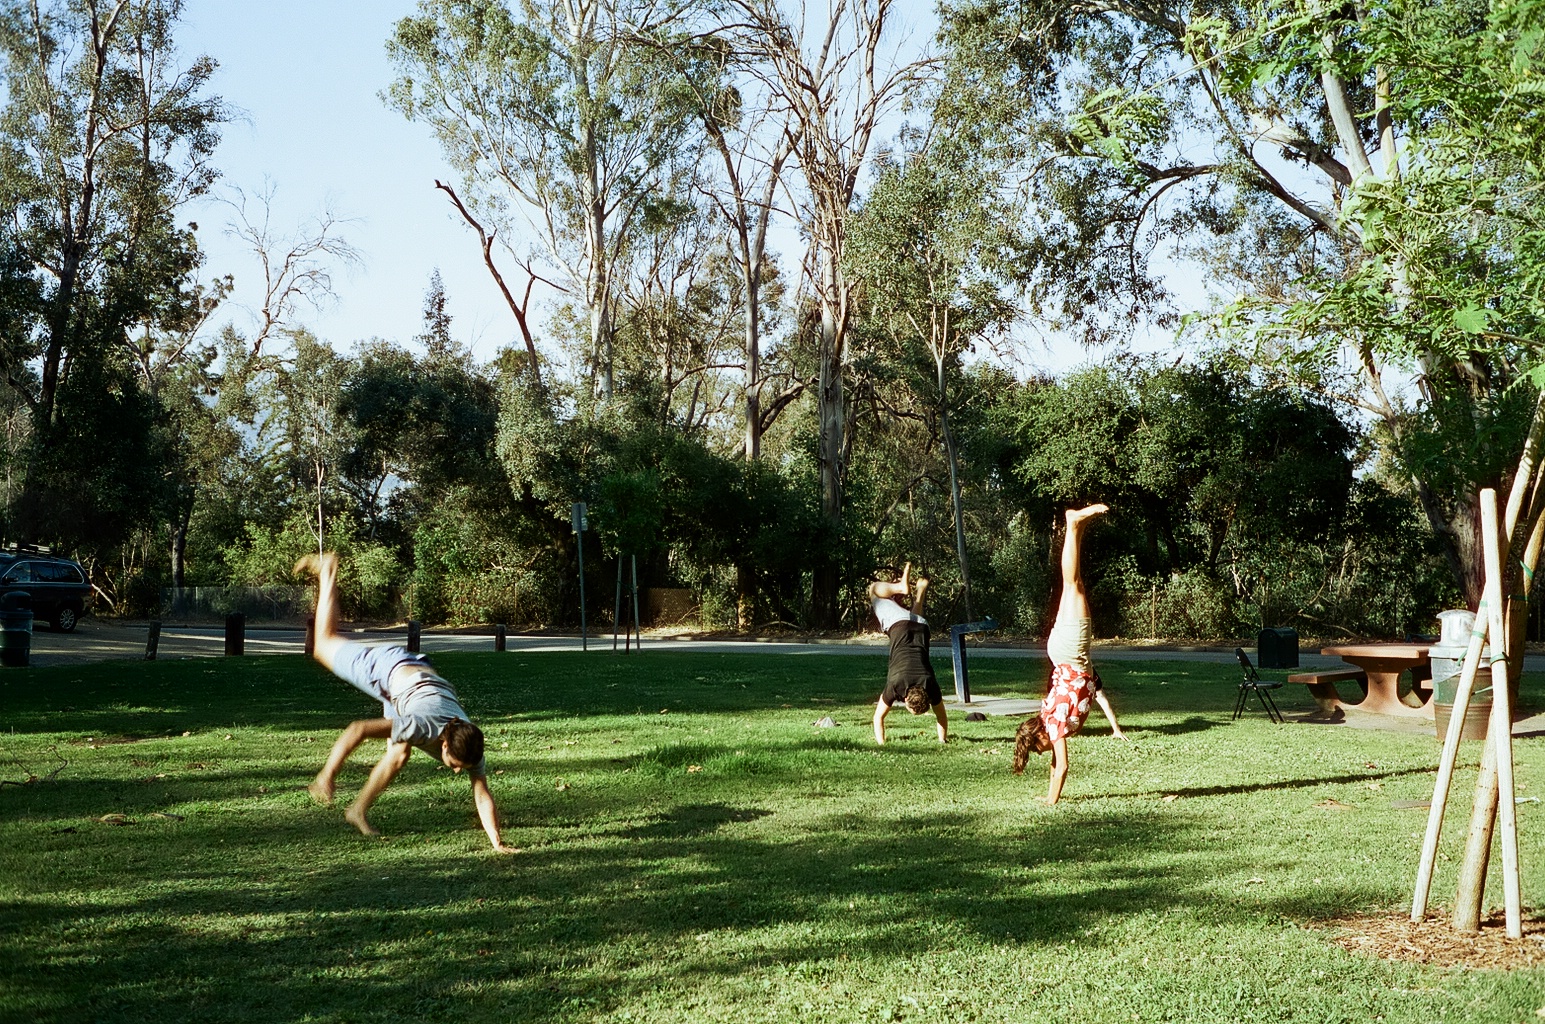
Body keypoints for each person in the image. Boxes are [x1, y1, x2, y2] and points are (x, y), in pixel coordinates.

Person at [296, 551, 516, 852]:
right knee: (322, 644)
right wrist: (327, 775)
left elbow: (481, 793)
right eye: (454, 765)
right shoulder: (420, 727)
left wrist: (497, 844)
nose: (456, 771)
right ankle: (328, 569)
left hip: (413, 686)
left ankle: (357, 811)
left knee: (398, 754)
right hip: (389, 670)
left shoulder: (470, 744)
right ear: (444, 745)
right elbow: (358, 729)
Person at [1012, 504, 1113, 804]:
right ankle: (1076, 527)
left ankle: (1073, 523)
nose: (1043, 752)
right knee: (1073, 585)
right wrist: (1048, 792)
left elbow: (1063, 767)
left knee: (1074, 585)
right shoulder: (1048, 718)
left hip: (1071, 652)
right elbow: (1056, 766)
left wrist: (1051, 801)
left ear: (1040, 736)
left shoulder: (1053, 724)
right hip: (1061, 652)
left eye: (1038, 749)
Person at [869, 562, 949, 745]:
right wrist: (882, 744)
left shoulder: (930, 685)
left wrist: (942, 740)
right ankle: (900, 587)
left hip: (921, 626)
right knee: (873, 590)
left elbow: (942, 717)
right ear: (906, 700)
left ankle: (920, 593)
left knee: (913, 620)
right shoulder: (896, 685)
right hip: (898, 624)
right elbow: (878, 717)